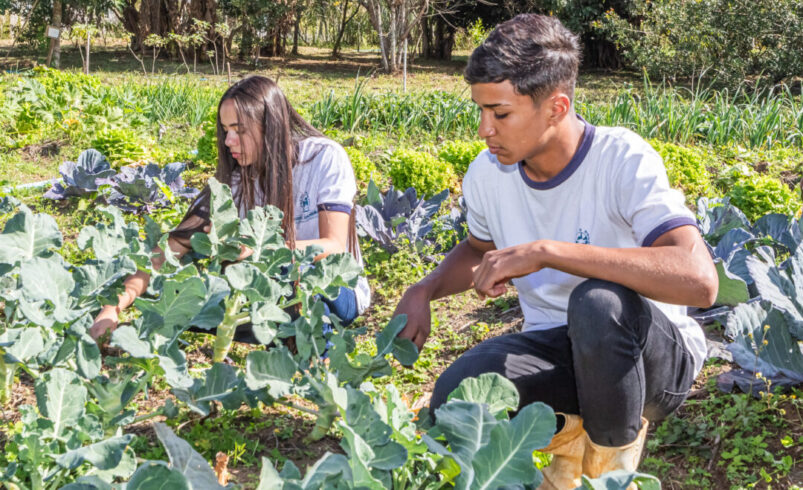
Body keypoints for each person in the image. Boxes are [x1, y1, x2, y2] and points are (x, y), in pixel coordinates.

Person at [392, 14, 717, 489]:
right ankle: (567, 449)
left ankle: (608, 476)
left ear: (556, 107)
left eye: (500, 114)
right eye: (480, 111)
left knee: (599, 303)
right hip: (561, 349)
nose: (485, 130)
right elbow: (479, 249)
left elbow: (700, 279)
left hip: (651, 361)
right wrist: (426, 288)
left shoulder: (621, 159)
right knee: (458, 395)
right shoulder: (488, 174)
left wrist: (549, 252)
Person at [90, 75, 371, 343]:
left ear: (270, 125)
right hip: (269, 296)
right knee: (190, 299)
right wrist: (112, 308)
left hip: (335, 290)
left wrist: (258, 251)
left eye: (239, 130)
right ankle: (281, 332)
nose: (228, 142)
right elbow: (169, 248)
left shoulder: (323, 158)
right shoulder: (237, 182)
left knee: (298, 288)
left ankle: (309, 345)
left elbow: (334, 246)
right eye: (226, 131)